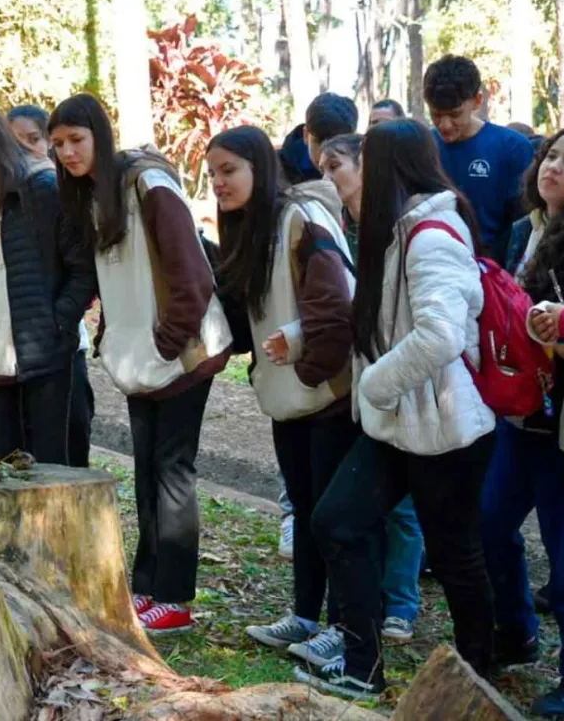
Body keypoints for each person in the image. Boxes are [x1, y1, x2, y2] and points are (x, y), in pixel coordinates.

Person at [304, 119, 497, 699]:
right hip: (398, 426)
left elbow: (439, 336)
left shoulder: (432, 234)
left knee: (455, 555)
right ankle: (364, 668)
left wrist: (374, 387)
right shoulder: (395, 229)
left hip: (446, 429)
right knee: (335, 521)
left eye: (366, 158)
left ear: (388, 165)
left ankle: (471, 681)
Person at [49, 93, 231, 635]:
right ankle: (149, 586)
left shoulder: (147, 184)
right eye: (58, 145)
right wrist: (115, 340)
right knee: (148, 471)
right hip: (141, 360)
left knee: (173, 474)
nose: (66, 153)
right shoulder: (92, 196)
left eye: (76, 140)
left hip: (179, 355)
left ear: (99, 137)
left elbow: (192, 275)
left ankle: (174, 599)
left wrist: (168, 342)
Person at [202, 126, 358, 665]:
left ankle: (345, 626)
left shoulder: (300, 218)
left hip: (328, 399)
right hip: (287, 402)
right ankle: (307, 616)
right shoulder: (252, 229)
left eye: (230, 171)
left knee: (332, 520)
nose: (219, 182)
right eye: (214, 173)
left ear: (259, 169)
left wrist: (312, 372)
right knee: (305, 509)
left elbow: (335, 306)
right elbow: (254, 320)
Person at [0, 102, 94, 464]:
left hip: (44, 359)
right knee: (8, 474)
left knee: (54, 474)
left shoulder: (43, 190)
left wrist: (56, 322)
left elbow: (83, 270)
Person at [318, 133, 424, 643]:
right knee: (353, 513)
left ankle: (401, 603)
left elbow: (430, 327)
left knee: (405, 512)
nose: (327, 177)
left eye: (335, 165)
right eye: (321, 166)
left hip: (405, 387)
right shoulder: (346, 224)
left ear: (367, 166)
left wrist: (380, 380)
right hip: (365, 387)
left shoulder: (408, 226)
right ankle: (366, 618)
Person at [481, 127, 564, 718]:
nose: (554, 168)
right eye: (551, 156)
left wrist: (558, 327)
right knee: (488, 524)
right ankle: (516, 632)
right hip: (519, 416)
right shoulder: (524, 229)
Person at [7, 103, 95, 467]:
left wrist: (58, 319)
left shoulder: (62, 191)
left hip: (63, 344)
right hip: (14, 351)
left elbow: (83, 271)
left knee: (71, 437)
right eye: (15, 142)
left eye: (34, 139)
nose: (26, 149)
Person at [424, 54, 535, 264]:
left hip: (493, 267)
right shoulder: (423, 146)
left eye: (455, 114)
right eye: (436, 115)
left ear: (477, 100)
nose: (445, 125)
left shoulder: (512, 147)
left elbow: (522, 223)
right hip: (435, 261)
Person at [303, 92, 359, 169]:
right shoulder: (283, 171)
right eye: (319, 141)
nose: (325, 153)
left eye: (336, 142)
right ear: (305, 135)